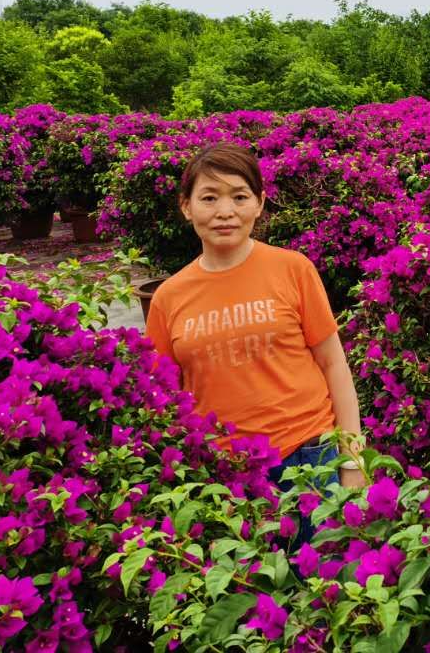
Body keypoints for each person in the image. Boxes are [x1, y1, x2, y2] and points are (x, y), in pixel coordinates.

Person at [144, 142, 368, 529]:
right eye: (209, 198)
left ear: (260, 203)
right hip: (225, 477)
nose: (225, 212)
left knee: (329, 581)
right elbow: (163, 397)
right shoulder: (168, 298)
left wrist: (352, 459)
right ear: (186, 206)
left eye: (239, 196)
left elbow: (334, 364)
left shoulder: (292, 269)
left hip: (310, 457)